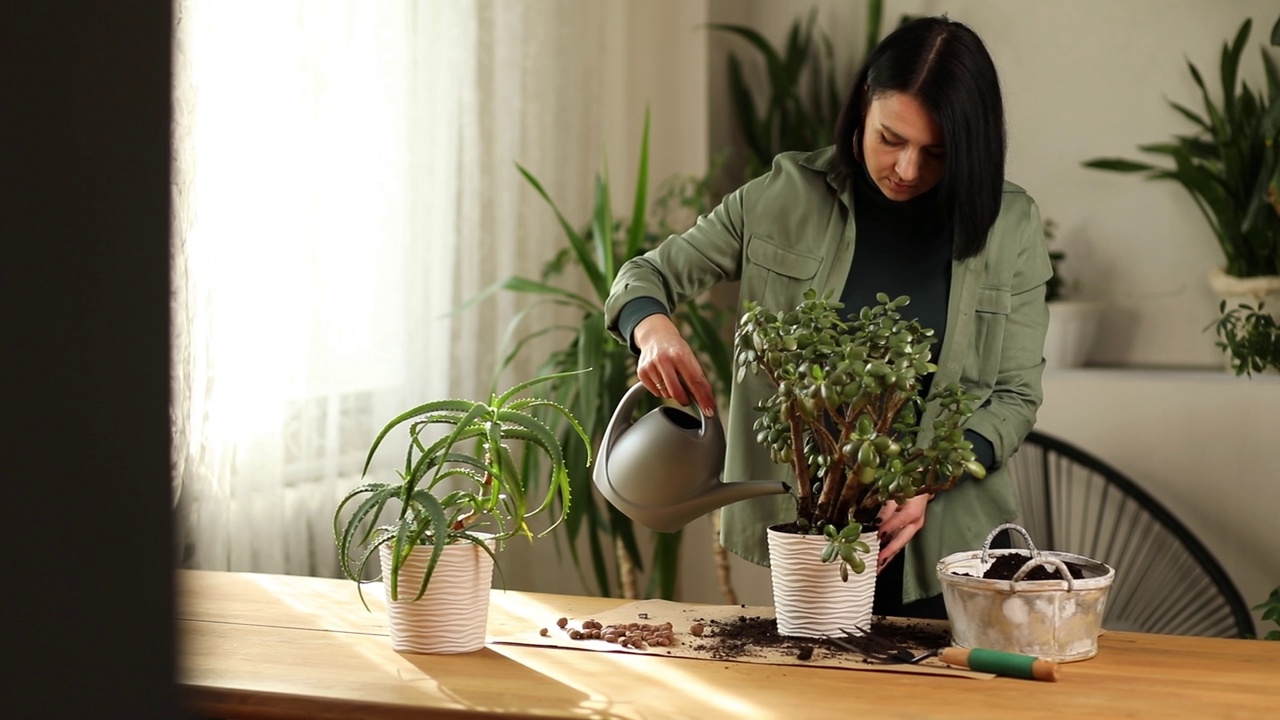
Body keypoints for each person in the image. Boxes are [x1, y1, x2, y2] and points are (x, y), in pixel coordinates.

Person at [603, 16, 1051, 619]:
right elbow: (645, 275)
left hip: (946, 545)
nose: (909, 169)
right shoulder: (784, 196)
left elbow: (1015, 397)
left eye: (937, 152)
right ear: (864, 103)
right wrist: (651, 328)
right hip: (809, 534)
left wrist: (926, 479)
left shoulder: (1011, 226)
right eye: (891, 139)